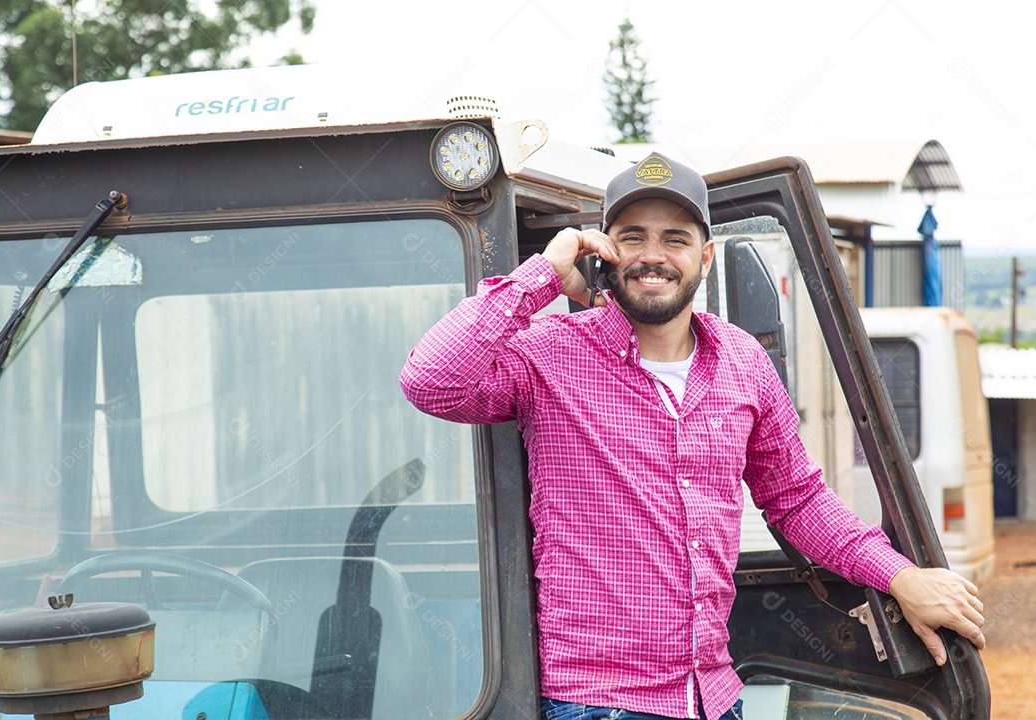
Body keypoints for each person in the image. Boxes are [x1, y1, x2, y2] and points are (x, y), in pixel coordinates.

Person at [399, 154, 985, 720]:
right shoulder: (550, 356)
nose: (652, 256)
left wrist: (899, 575)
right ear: (603, 249)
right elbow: (430, 380)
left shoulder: (742, 361)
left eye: (674, 239)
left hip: (713, 695)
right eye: (632, 236)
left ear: (705, 256)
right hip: (599, 703)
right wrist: (545, 275)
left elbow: (798, 499)